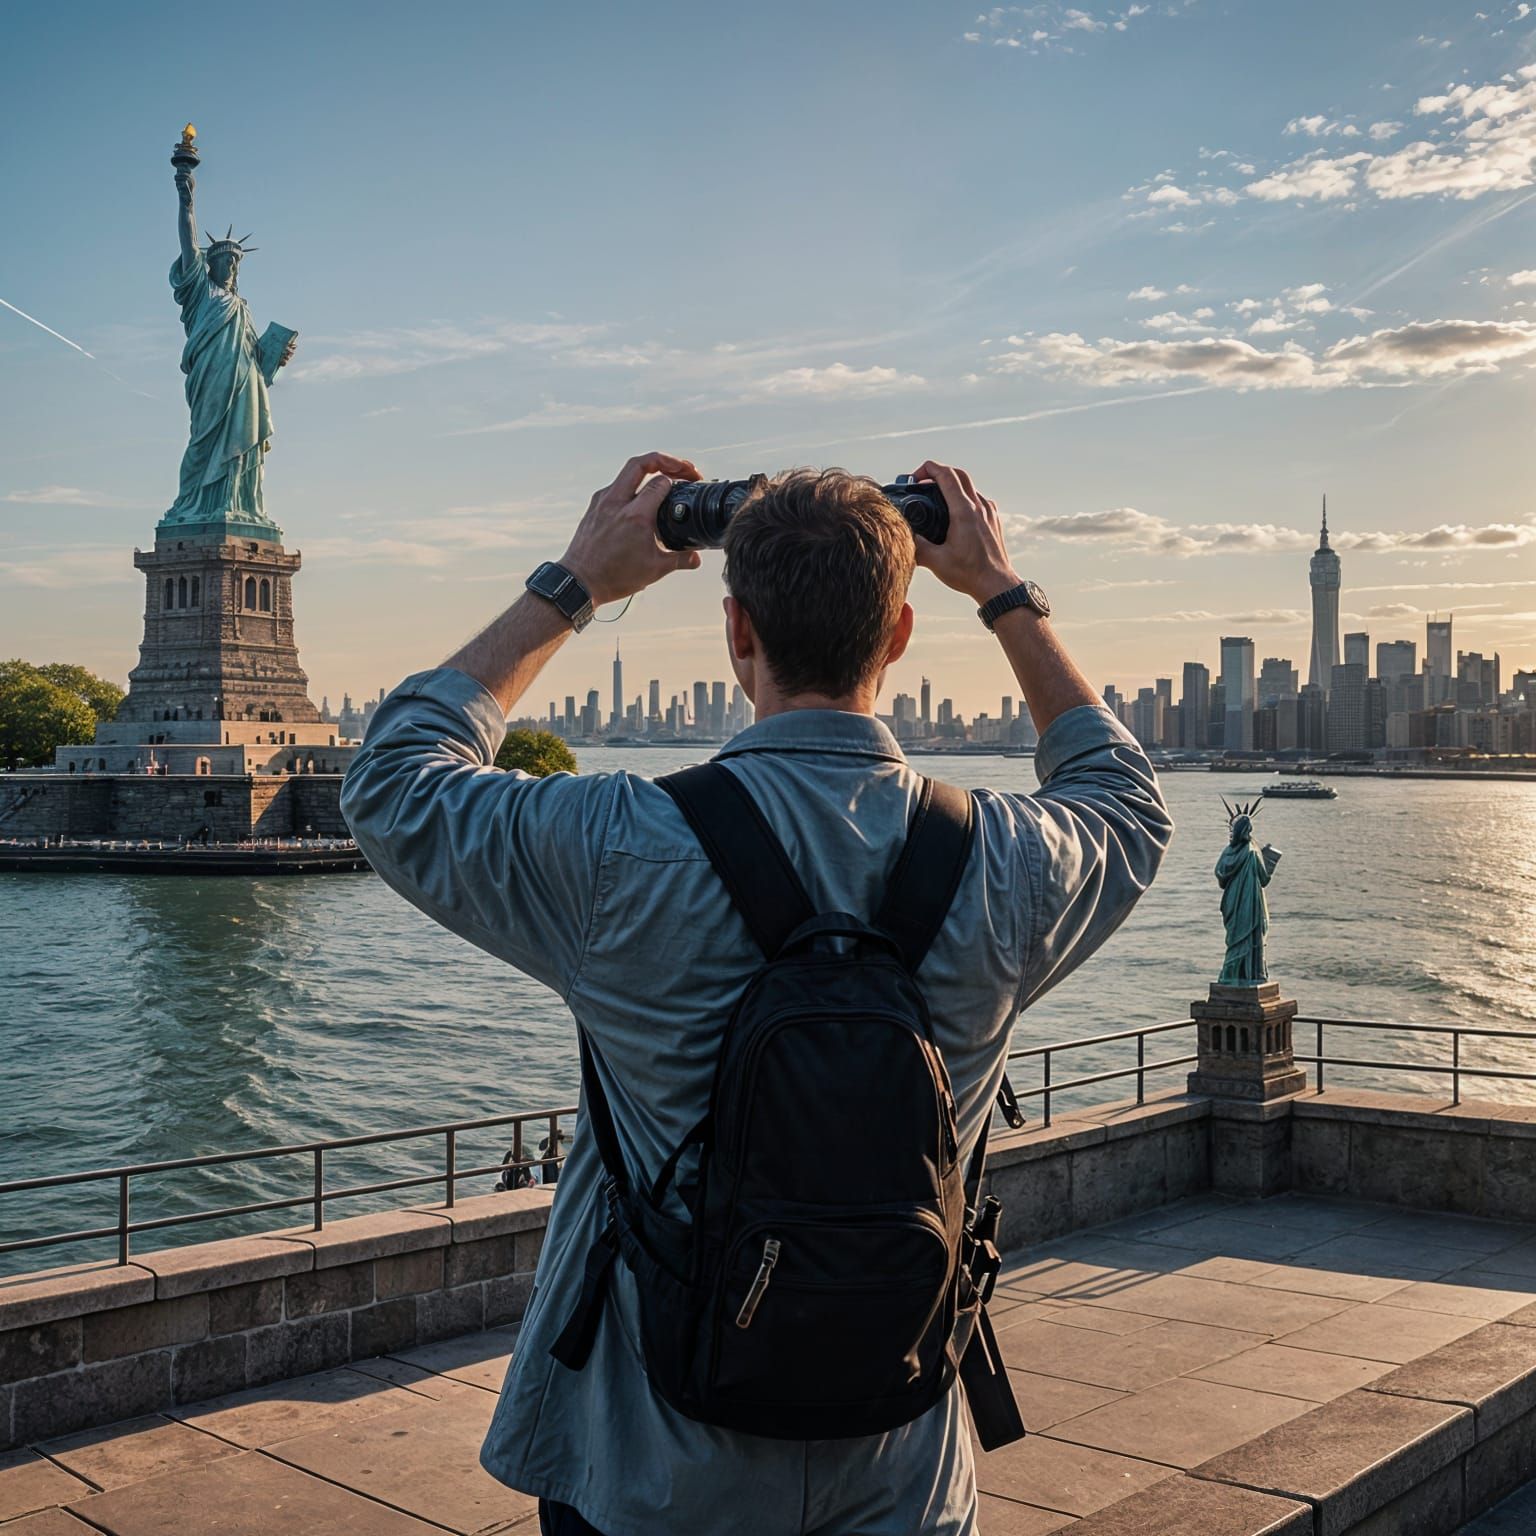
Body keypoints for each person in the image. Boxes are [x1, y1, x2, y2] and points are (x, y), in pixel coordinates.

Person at [341, 454, 1172, 1536]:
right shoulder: (1004, 863)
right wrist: (1003, 592)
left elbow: (396, 778)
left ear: (738, 634)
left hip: (650, 1467)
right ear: (900, 639)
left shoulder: (617, 846)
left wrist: (574, 582)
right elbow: (1124, 798)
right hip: (900, 1466)